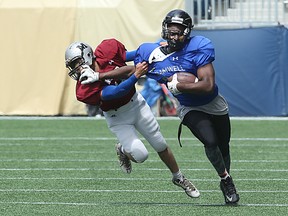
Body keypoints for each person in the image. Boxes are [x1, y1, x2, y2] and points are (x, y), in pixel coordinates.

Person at [64, 39, 200, 198]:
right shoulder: (83, 89)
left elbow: (132, 55)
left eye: (77, 63)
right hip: (117, 117)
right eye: (73, 66)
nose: (76, 69)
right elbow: (114, 92)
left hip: (136, 105)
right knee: (141, 155)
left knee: (160, 144)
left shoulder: (107, 50)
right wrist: (135, 75)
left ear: (87, 54)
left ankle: (179, 177)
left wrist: (162, 48)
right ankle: (122, 149)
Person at [133, 9, 240, 204]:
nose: (174, 36)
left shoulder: (199, 46)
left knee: (223, 146)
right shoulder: (156, 52)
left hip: (213, 103)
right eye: (171, 32)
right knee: (210, 141)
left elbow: (207, 85)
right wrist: (100, 73)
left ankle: (225, 177)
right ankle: (226, 179)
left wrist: (180, 85)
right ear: (165, 30)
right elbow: (130, 61)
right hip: (189, 107)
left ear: (187, 31)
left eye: (179, 32)